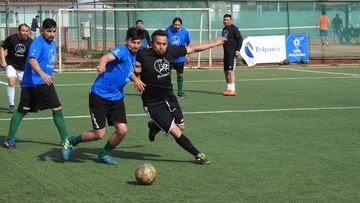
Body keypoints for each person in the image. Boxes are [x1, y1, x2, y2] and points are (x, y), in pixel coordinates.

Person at [133, 29, 225, 164]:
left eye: (164, 44)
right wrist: (135, 76)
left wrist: (215, 43)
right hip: (153, 104)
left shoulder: (171, 51)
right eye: (158, 43)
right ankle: (198, 155)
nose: (161, 47)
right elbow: (129, 68)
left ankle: (154, 127)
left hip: (169, 98)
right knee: (176, 131)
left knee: (181, 127)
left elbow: (192, 49)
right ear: (152, 44)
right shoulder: (142, 54)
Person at [61, 27, 144, 165]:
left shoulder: (134, 54)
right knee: (99, 134)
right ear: (127, 41)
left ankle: (104, 154)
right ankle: (71, 140)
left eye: (138, 42)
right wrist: (102, 65)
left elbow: (127, 71)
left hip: (116, 97)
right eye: (133, 42)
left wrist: (136, 80)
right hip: (100, 95)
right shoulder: (122, 50)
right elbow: (106, 57)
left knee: (122, 130)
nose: (135, 45)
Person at [3, 19, 71, 148]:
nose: (51, 34)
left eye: (54, 31)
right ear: (42, 30)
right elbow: (32, 60)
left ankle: (65, 139)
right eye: (48, 31)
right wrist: (42, 73)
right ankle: (10, 139)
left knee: (57, 109)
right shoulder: (37, 43)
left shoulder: (53, 43)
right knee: (22, 111)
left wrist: (47, 73)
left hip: (46, 82)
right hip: (32, 84)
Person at [1, 24, 33, 113]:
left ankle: (25, 104)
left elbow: (33, 56)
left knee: (26, 87)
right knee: (11, 82)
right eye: (23, 31)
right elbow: (2, 48)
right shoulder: (12, 38)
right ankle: (11, 105)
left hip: (24, 68)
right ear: (19, 31)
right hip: (11, 65)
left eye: (27, 31)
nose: (25, 33)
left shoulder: (31, 42)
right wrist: (3, 61)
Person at [165, 17, 191, 98]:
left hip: (180, 57)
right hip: (169, 57)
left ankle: (180, 91)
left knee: (180, 74)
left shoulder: (185, 32)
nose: (177, 26)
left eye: (178, 25)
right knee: (166, 75)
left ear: (181, 25)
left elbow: (188, 43)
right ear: (172, 24)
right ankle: (167, 91)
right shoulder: (168, 30)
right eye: (175, 24)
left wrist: (188, 55)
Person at [221, 14, 242, 96]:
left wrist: (238, 50)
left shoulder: (234, 28)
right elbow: (223, 40)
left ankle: (233, 90)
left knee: (230, 71)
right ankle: (228, 89)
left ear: (231, 20)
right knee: (226, 71)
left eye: (227, 19)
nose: (225, 21)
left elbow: (240, 39)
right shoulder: (224, 29)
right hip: (226, 53)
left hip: (232, 53)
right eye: (224, 19)